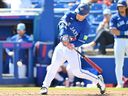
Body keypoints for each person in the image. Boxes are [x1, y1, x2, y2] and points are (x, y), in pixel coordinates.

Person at [40, 3, 106, 95]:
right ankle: (45, 86)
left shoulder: (86, 26)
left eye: (81, 14)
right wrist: (63, 35)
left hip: (72, 49)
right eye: (78, 13)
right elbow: (61, 23)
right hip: (61, 46)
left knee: (77, 72)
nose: (79, 15)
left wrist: (73, 44)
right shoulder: (70, 14)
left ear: (86, 15)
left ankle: (97, 79)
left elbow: (82, 40)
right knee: (53, 66)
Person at [109, 0, 128, 88]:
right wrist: (125, 33)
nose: (121, 7)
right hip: (119, 41)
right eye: (119, 6)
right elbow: (113, 31)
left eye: (122, 6)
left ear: (126, 7)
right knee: (119, 63)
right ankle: (120, 83)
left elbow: (117, 31)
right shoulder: (114, 17)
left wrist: (120, 32)